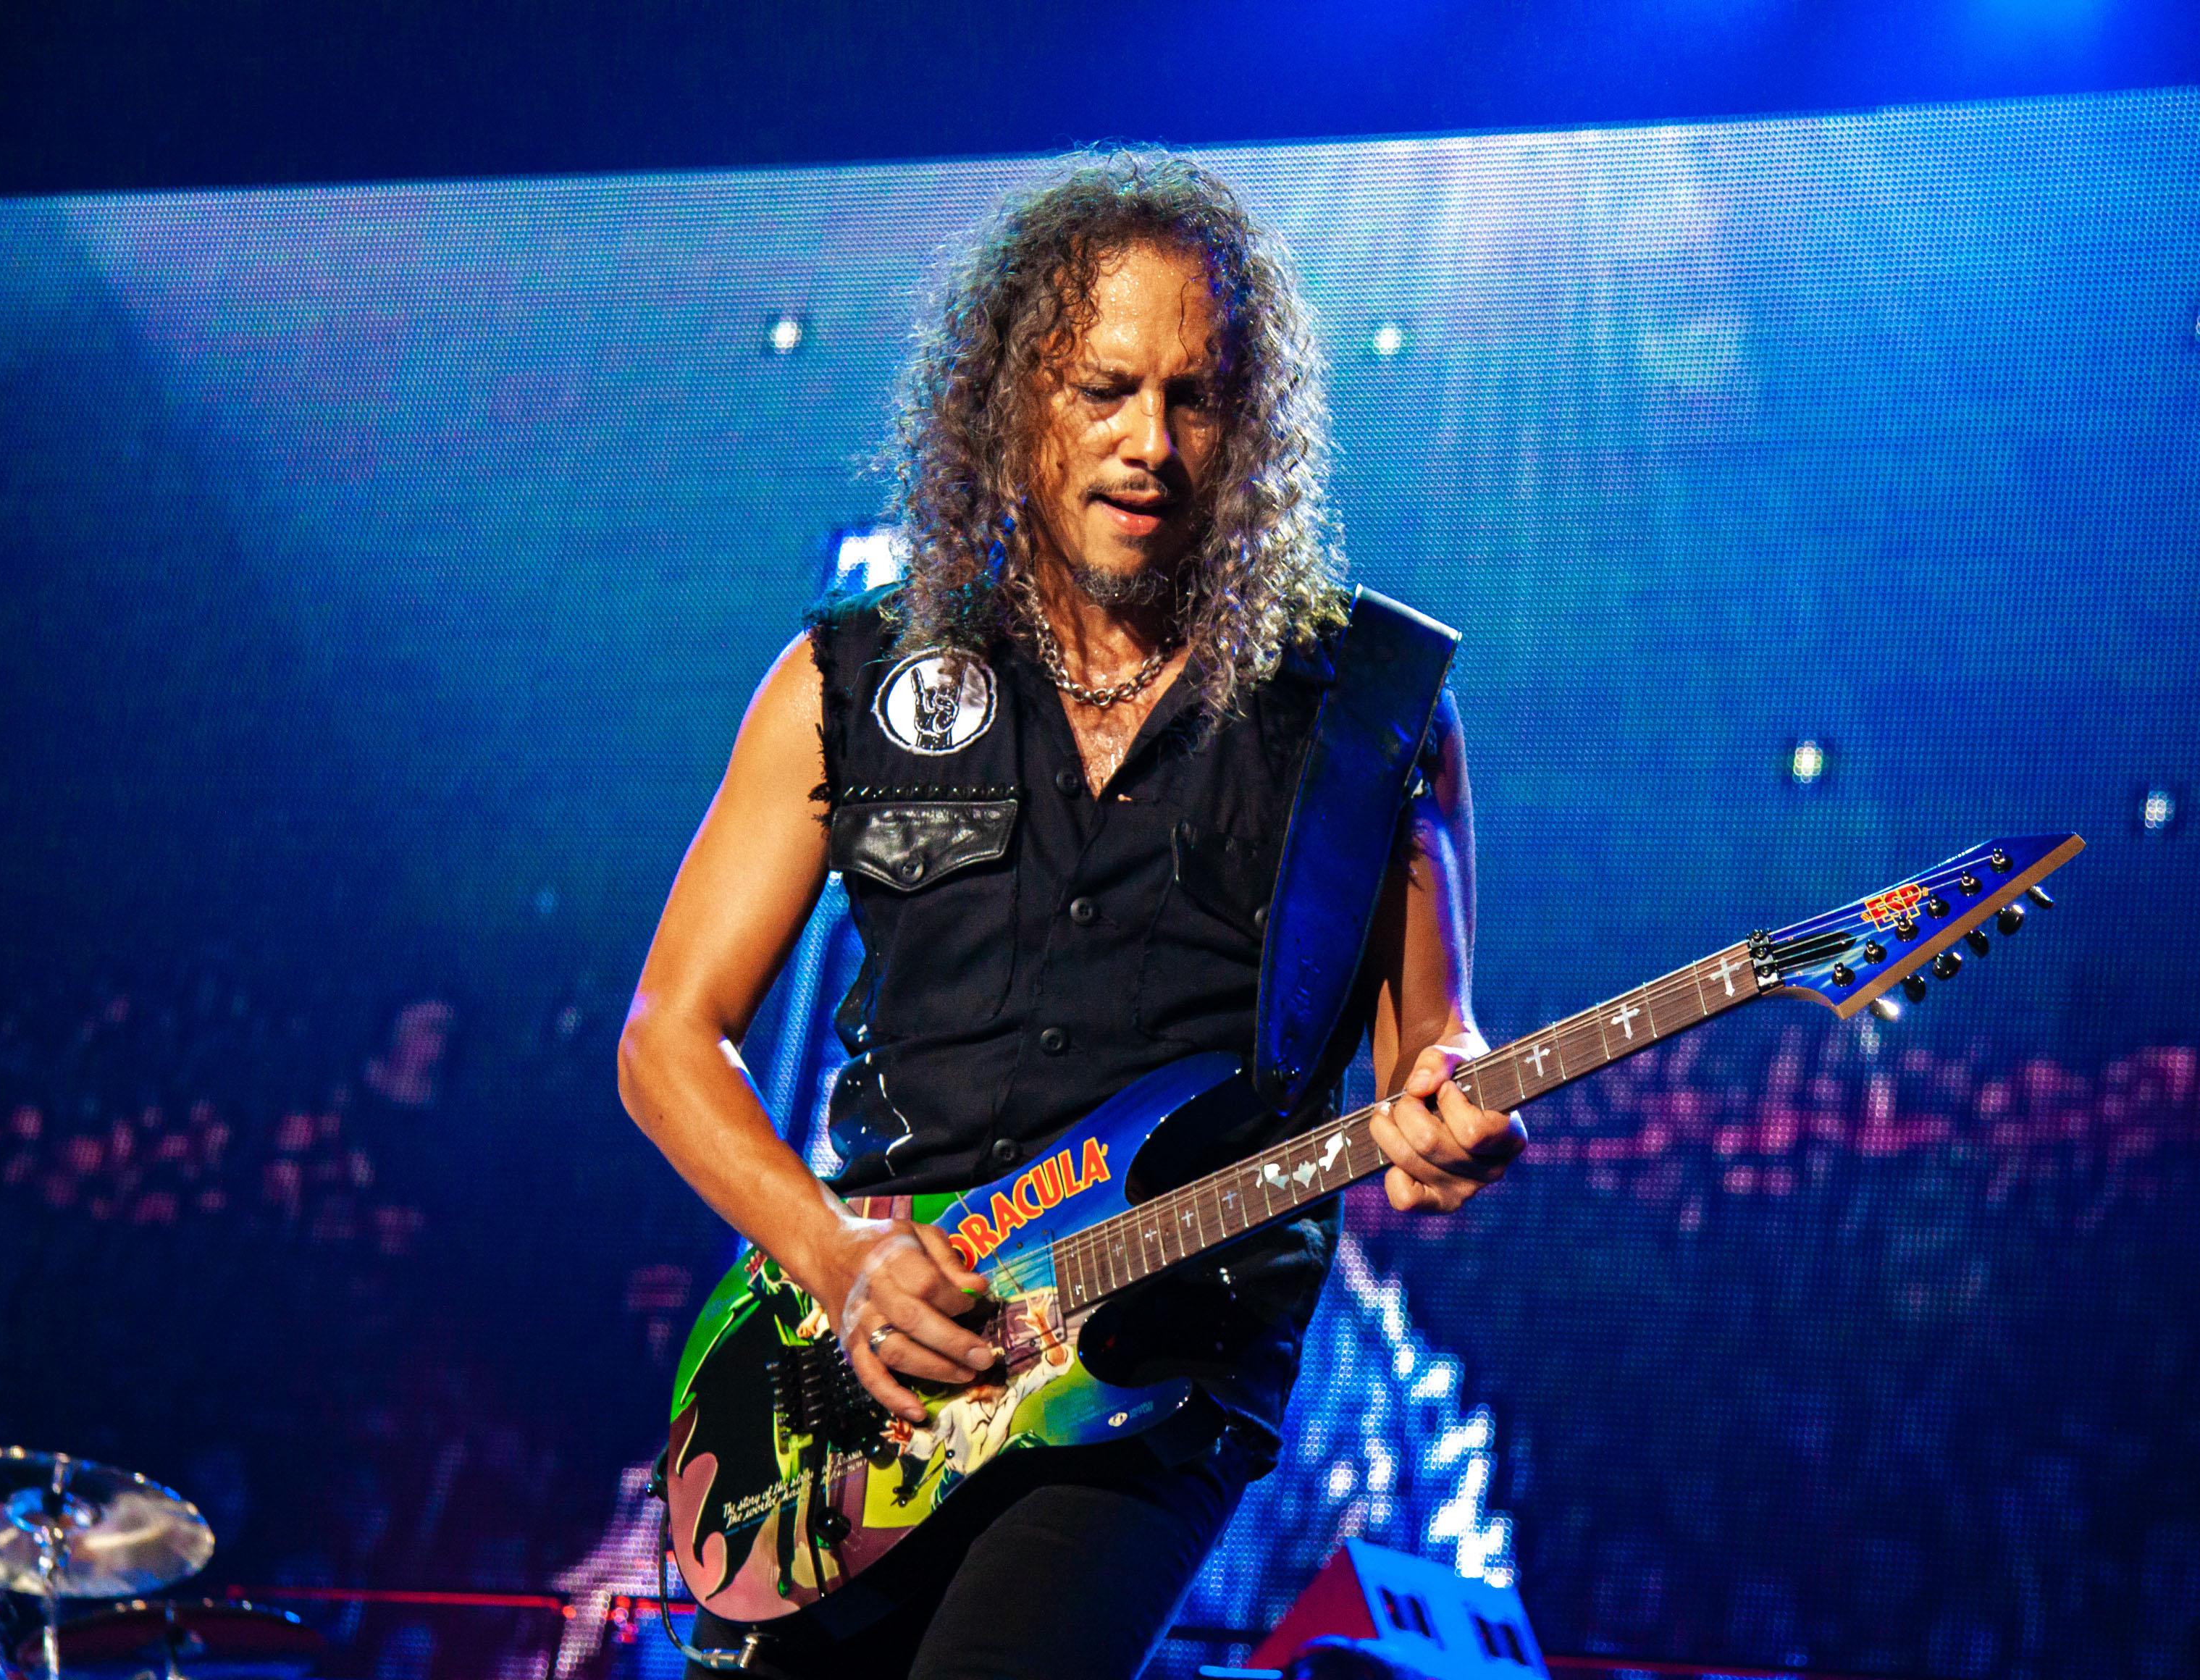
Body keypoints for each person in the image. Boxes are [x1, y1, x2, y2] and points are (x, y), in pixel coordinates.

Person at [616, 150, 1523, 1679]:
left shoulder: (1372, 710)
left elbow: (1434, 1051)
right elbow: (667, 1037)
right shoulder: (856, 679)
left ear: (1254, 426)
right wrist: (836, 1256)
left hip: (1159, 1363)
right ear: (1013, 401)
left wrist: (1450, 1117)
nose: (1149, 443)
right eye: (1105, 390)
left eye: (1196, 398)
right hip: (863, 1369)